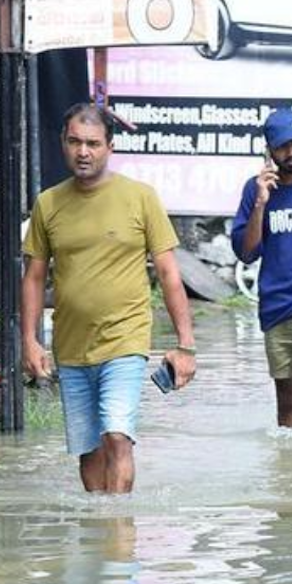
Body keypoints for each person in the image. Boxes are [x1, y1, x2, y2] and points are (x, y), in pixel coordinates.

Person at [21, 103, 197, 495]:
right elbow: (33, 277)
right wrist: (30, 341)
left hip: (125, 340)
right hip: (71, 346)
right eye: (75, 142)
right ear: (63, 144)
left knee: (117, 436)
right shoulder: (48, 204)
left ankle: (120, 530)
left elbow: (169, 274)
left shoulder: (140, 197)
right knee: (89, 453)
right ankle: (100, 527)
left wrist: (185, 344)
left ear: (110, 147)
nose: (83, 152)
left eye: (93, 144)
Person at [231, 107, 292, 428]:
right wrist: (261, 203)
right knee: (287, 401)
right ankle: (291, 459)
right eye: (283, 146)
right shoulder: (255, 191)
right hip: (276, 305)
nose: (291, 152)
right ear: (269, 151)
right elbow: (247, 253)